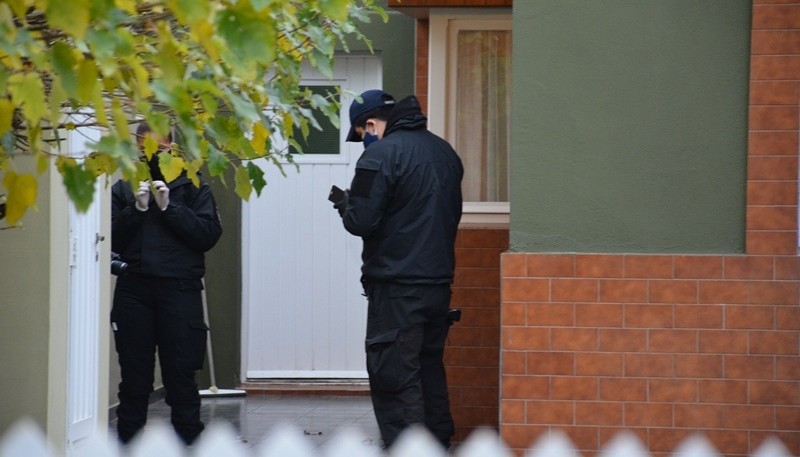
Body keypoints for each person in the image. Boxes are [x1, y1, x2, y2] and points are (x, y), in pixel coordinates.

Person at [332, 89, 464, 450]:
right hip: (438, 282)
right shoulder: (445, 152)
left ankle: (408, 448)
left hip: (396, 286)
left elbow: (361, 221)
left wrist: (345, 205)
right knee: (428, 368)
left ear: (371, 124)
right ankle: (438, 443)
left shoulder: (380, 155)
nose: (363, 140)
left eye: (361, 133)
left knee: (395, 375)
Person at [110, 123, 223, 445]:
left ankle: (190, 444)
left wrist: (170, 207)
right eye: (146, 149)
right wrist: (137, 209)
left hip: (180, 290)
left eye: (160, 148)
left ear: (173, 147)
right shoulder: (124, 189)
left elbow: (207, 236)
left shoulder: (193, 187)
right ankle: (127, 445)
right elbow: (109, 239)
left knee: (181, 377)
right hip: (135, 290)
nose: (154, 155)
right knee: (134, 379)